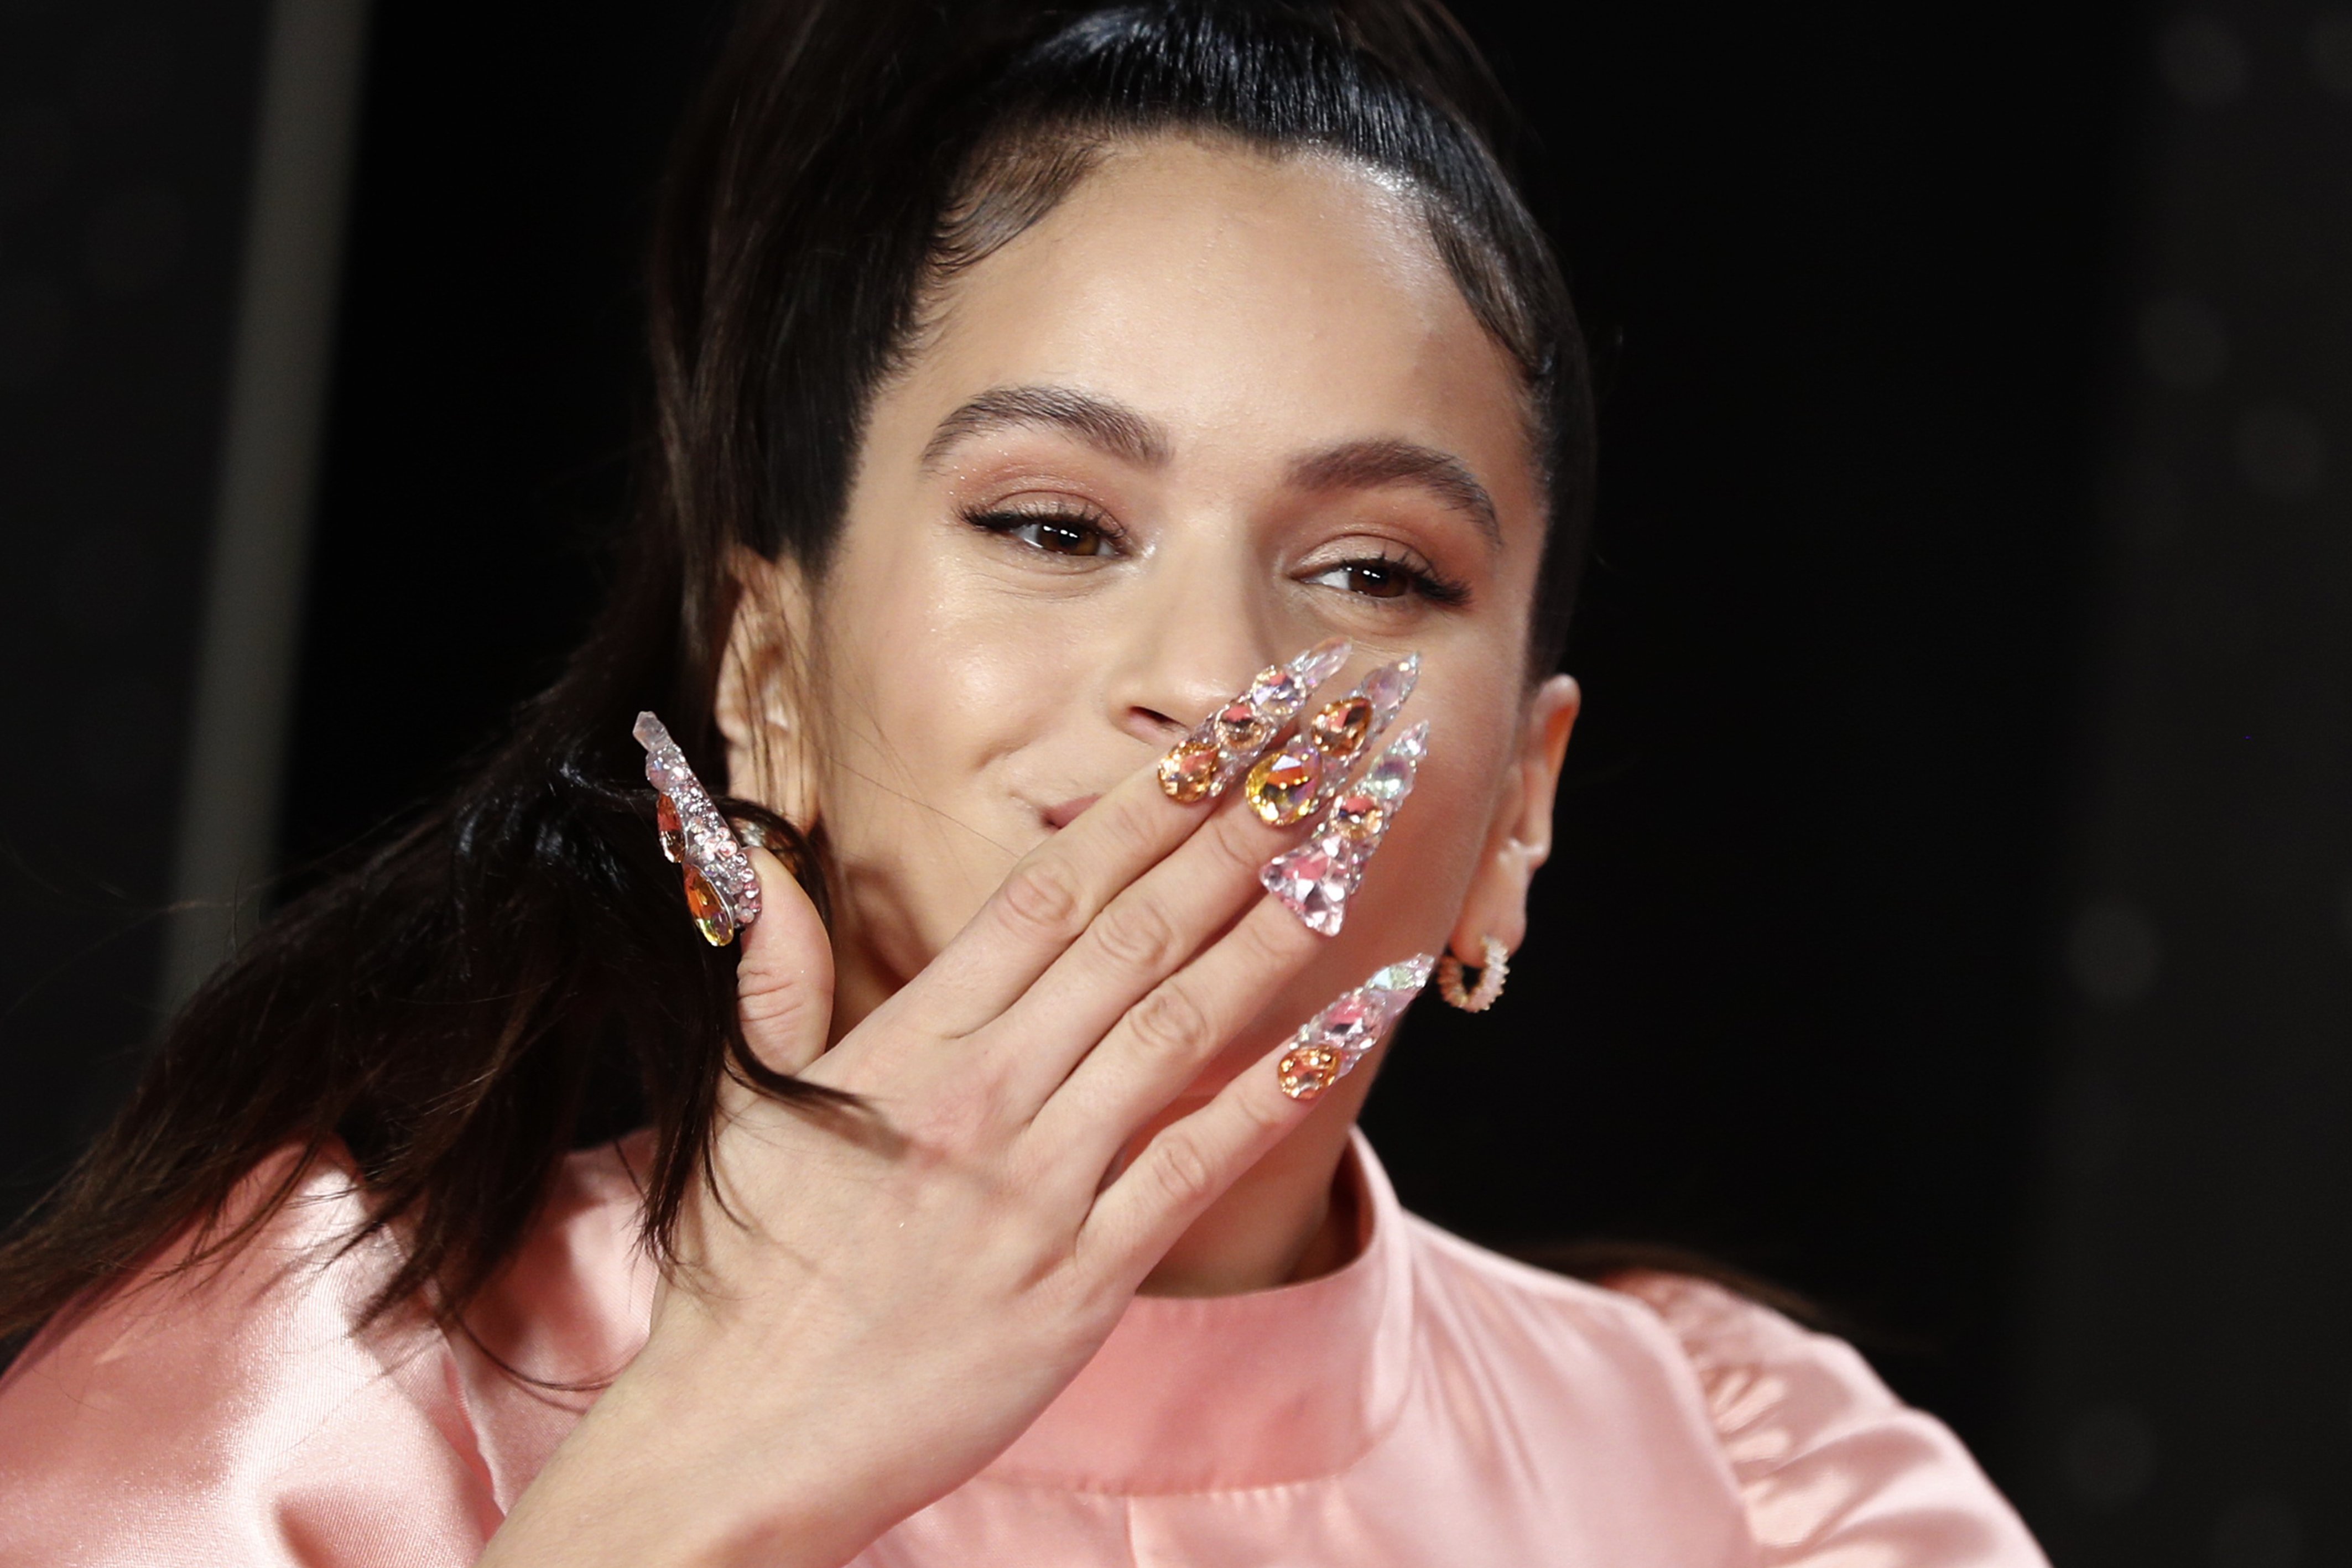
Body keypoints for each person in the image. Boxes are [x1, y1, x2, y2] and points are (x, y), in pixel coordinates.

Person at [0, 2, 2048, 1563]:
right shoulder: (307, 1411)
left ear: (1522, 799)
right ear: (768, 673)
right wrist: (694, 1478)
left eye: (1372, 572)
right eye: (1058, 526)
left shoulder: (1772, 1498)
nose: (1214, 687)